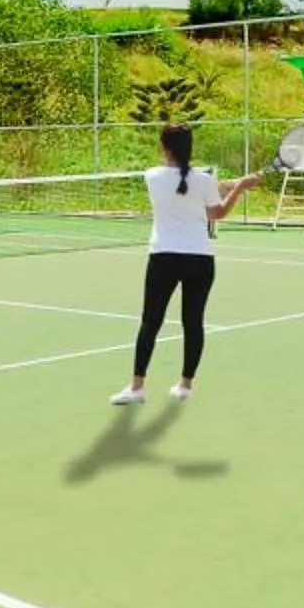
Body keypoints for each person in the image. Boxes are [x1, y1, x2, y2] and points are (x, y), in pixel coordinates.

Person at [111, 123, 260, 406]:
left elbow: (183, 186)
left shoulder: (152, 176)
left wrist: (234, 184)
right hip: (200, 260)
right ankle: (185, 386)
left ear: (164, 147)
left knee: (150, 322)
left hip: (164, 258)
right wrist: (239, 187)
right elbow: (217, 211)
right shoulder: (203, 180)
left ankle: (137, 387)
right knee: (193, 323)